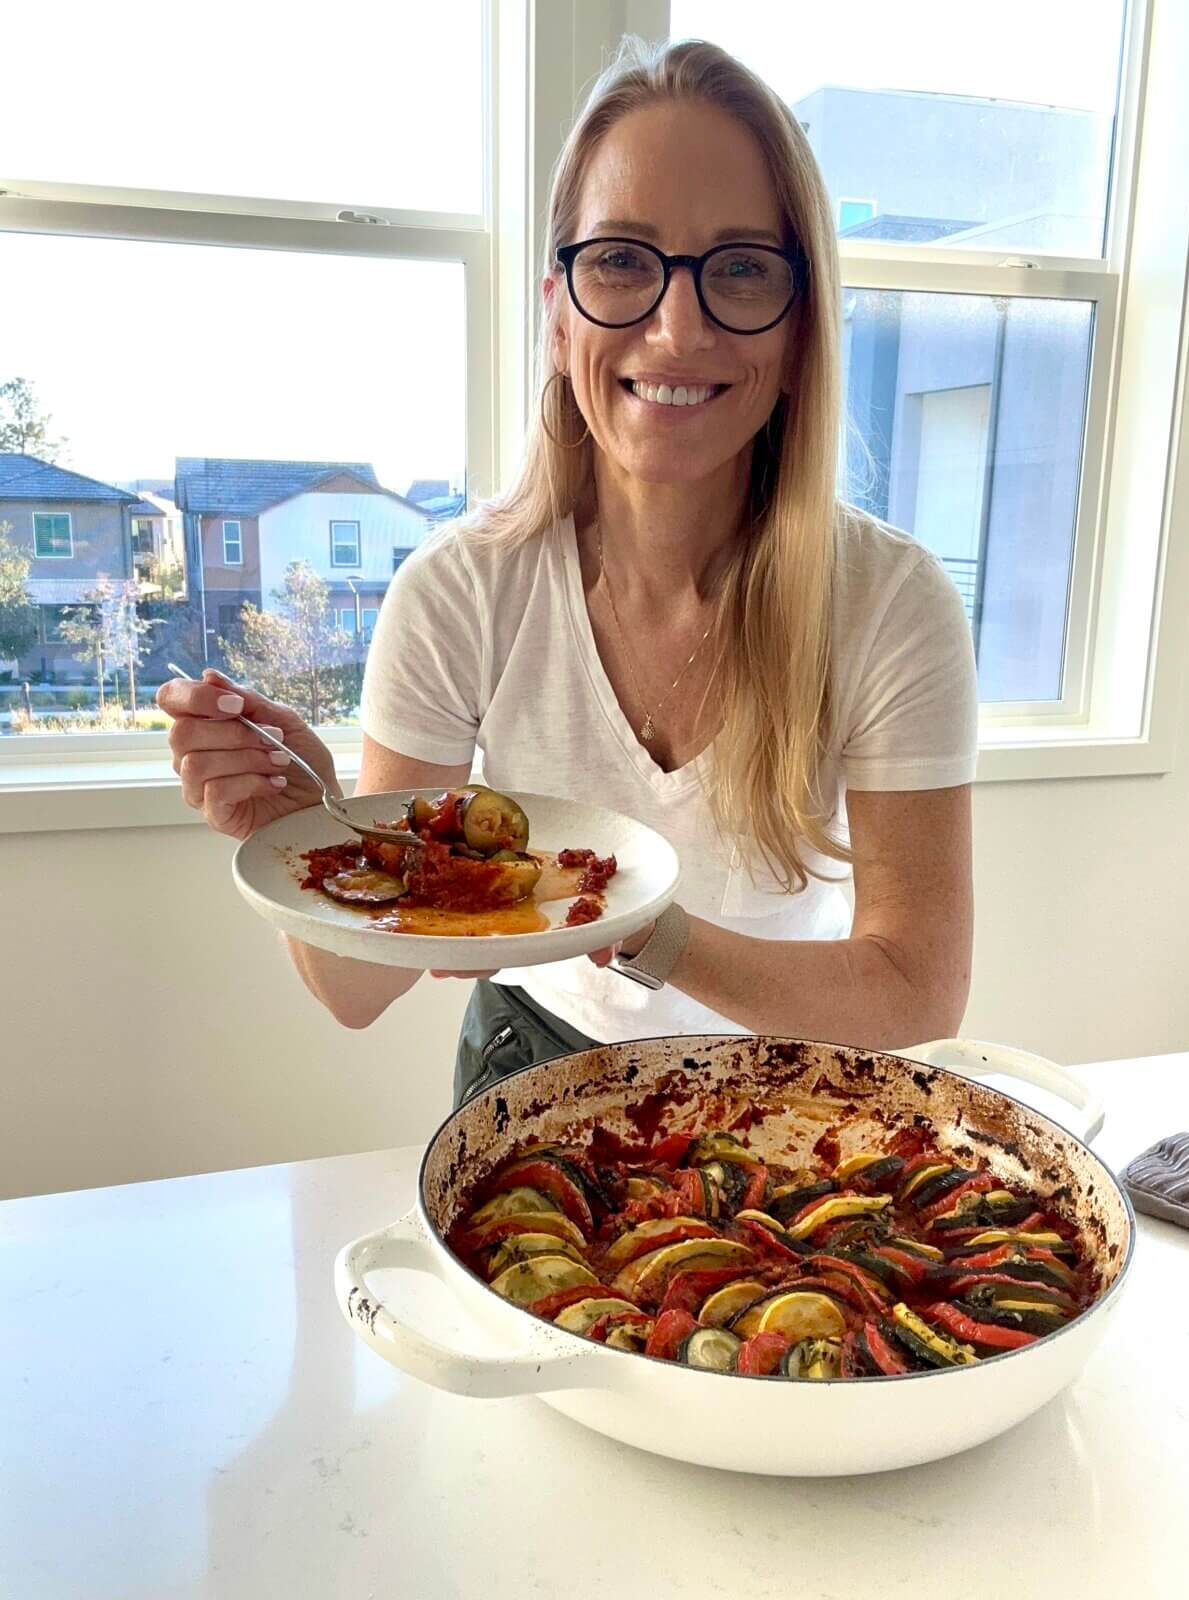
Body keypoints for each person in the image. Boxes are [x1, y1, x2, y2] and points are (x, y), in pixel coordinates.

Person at [159, 38, 976, 1109]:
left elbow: (916, 989)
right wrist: (298, 828)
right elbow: (357, 989)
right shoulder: (461, 591)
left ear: (799, 328)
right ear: (557, 313)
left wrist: (649, 930)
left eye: (740, 267)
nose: (676, 329)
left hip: (791, 1081)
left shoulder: (890, 602)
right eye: (623, 260)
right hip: (531, 1063)